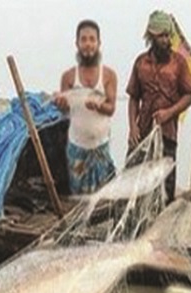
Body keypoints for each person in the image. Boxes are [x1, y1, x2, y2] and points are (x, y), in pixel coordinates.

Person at [126, 10, 191, 202]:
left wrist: (169, 113)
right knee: (132, 181)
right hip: (142, 133)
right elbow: (133, 98)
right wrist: (132, 127)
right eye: (162, 36)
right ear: (151, 37)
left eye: (168, 35)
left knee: (166, 186)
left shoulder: (179, 63)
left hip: (167, 133)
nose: (166, 40)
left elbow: (189, 96)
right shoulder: (141, 63)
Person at [54, 19, 118, 195]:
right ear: (77, 43)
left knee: (104, 197)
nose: (88, 44)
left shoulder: (108, 75)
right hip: (77, 147)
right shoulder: (68, 76)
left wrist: (98, 106)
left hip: (100, 147)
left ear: (99, 43)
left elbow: (111, 108)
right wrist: (61, 104)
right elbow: (65, 111)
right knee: (79, 199)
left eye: (92, 39)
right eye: (84, 39)